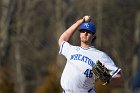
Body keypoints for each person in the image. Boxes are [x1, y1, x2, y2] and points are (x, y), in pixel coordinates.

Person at [58, 16, 121, 93]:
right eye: (83, 31)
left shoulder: (100, 56)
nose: (85, 33)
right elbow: (62, 39)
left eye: (88, 32)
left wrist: (107, 79)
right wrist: (79, 22)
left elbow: (118, 77)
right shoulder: (72, 50)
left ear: (93, 36)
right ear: (80, 34)